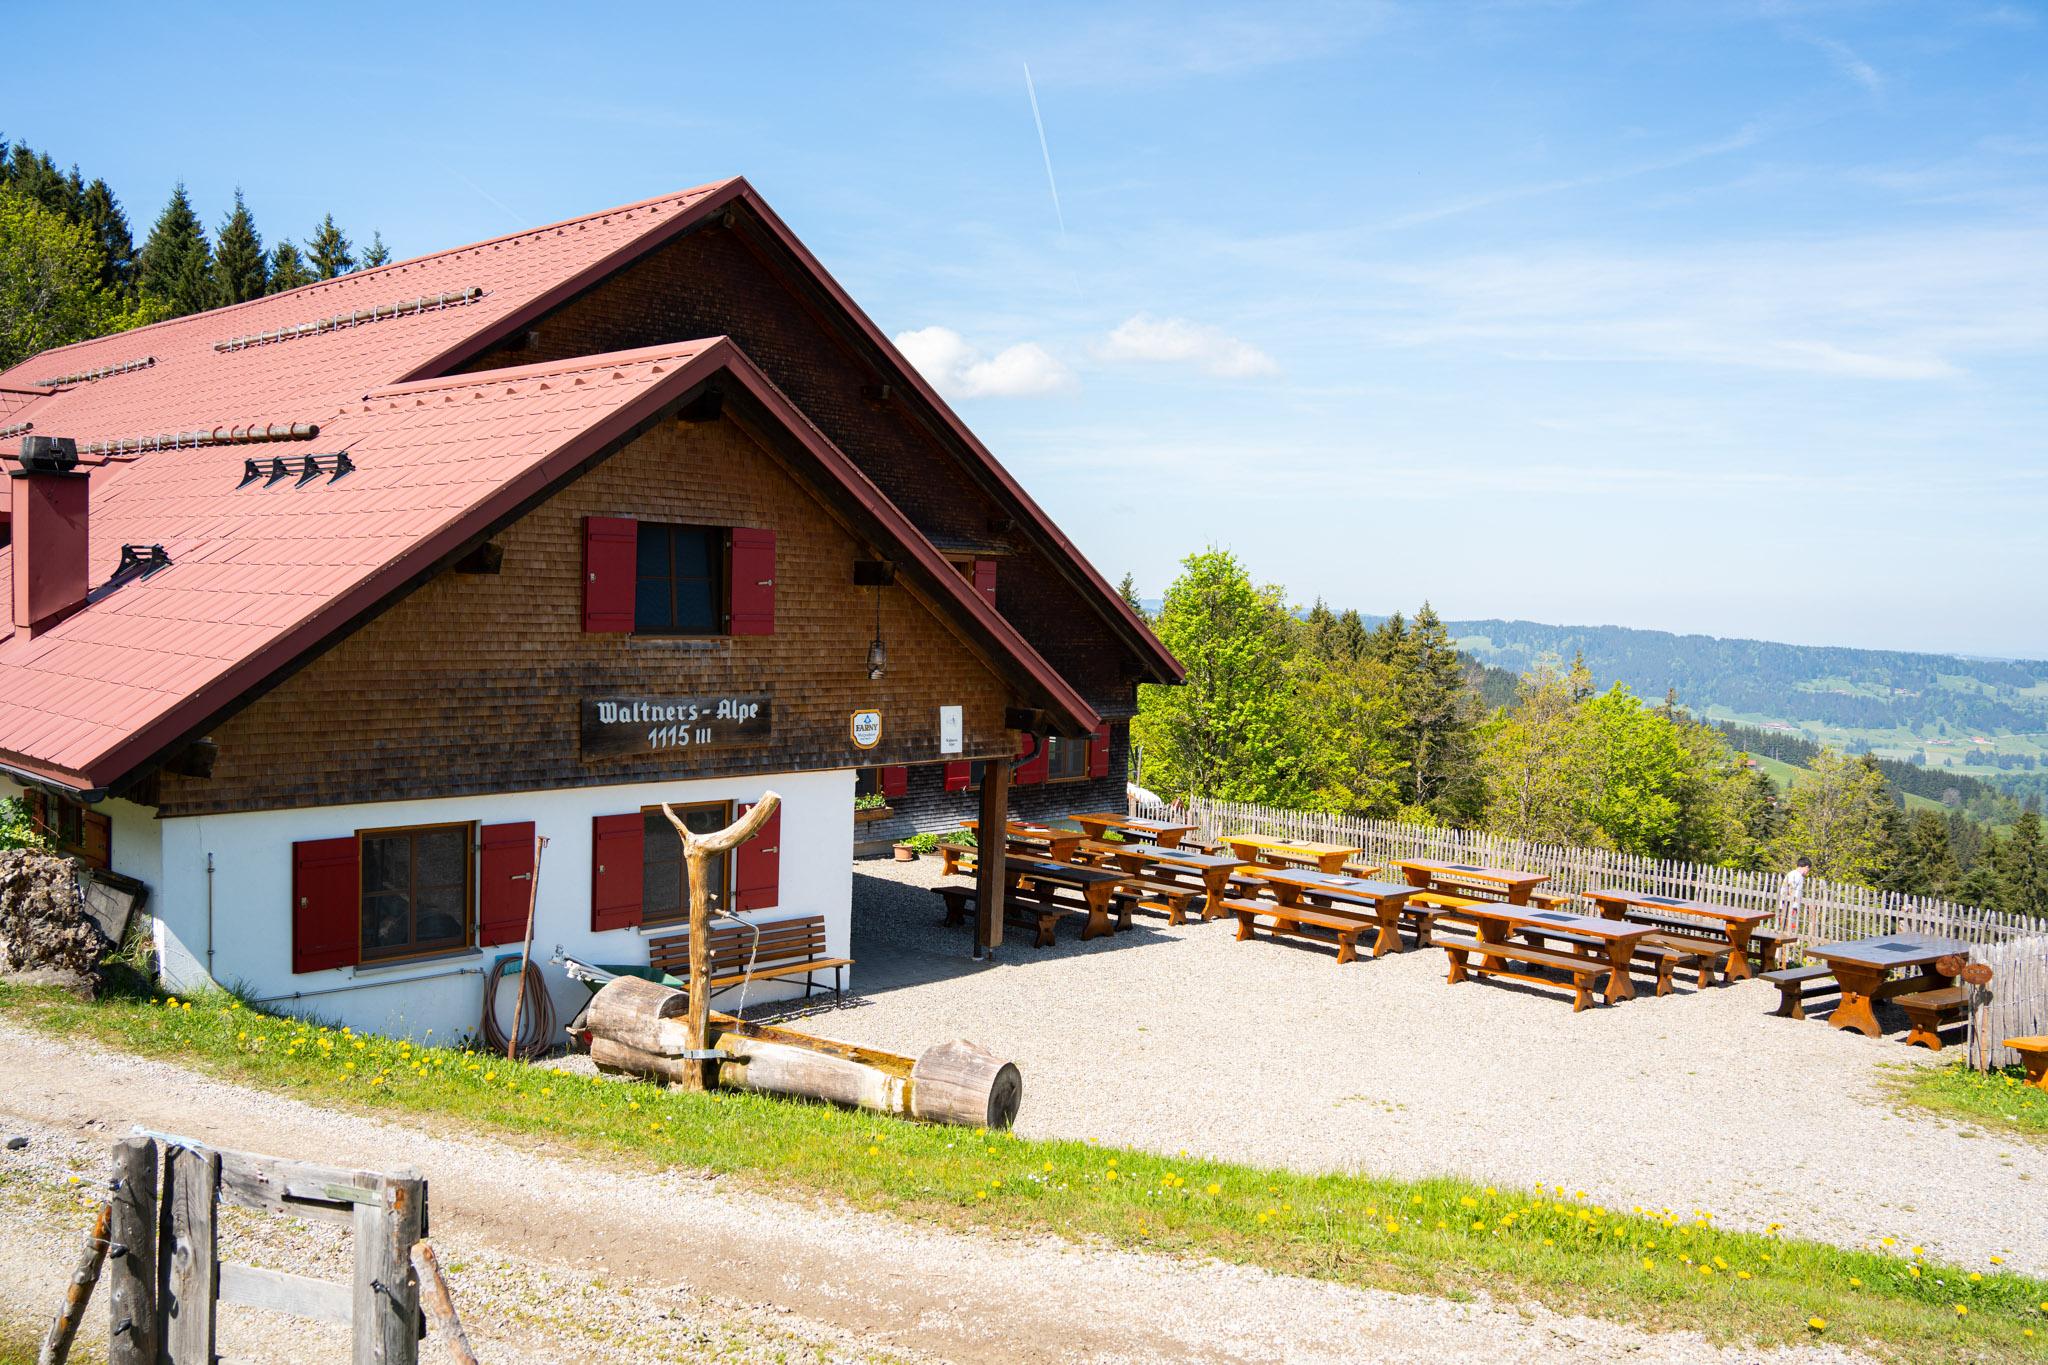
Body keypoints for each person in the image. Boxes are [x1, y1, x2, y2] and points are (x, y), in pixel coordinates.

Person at [1777, 855, 1812, 935]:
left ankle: (1784, 938)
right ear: (1806, 867)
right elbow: (1791, 887)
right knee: (1789, 926)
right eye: (1808, 870)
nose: (1808, 872)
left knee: (1785, 925)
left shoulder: (1793, 874)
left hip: (1788, 903)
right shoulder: (1796, 875)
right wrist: (1792, 900)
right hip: (1790, 905)